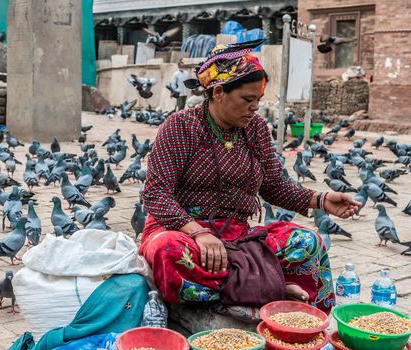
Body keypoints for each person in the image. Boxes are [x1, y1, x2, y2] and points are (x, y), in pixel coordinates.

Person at [140, 41, 360, 315]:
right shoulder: (179, 127)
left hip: (239, 236)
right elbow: (155, 194)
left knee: (308, 243)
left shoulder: (255, 129)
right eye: (248, 99)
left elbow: (274, 185)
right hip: (183, 230)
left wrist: (322, 200)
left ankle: (250, 290)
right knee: (170, 252)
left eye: (258, 99)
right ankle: (269, 287)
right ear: (219, 92)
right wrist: (198, 232)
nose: (255, 107)